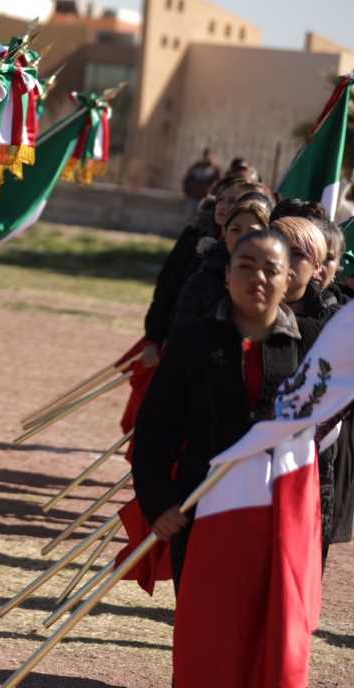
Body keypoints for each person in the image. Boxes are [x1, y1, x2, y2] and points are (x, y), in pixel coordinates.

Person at [133, 228, 317, 589]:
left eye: (271, 269)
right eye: (246, 266)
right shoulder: (194, 341)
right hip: (202, 504)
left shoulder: (308, 347)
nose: (258, 278)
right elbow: (156, 429)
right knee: (204, 623)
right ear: (228, 276)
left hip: (276, 513)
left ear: (288, 279)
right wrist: (160, 503)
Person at [171, 199, 269, 328]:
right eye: (235, 230)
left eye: (252, 231)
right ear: (225, 234)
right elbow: (181, 332)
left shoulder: (272, 281)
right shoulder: (202, 279)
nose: (242, 237)